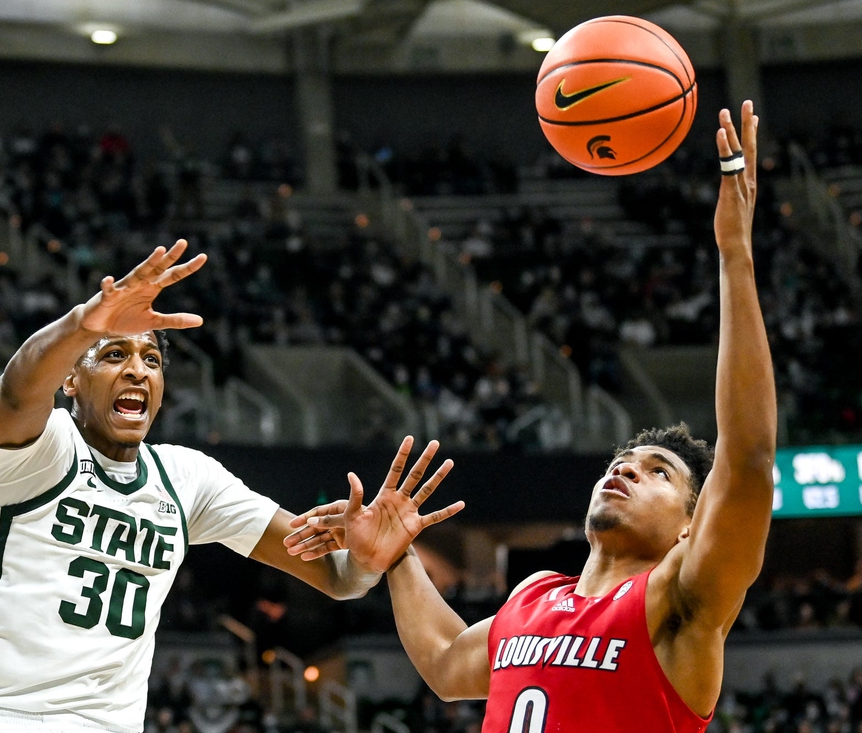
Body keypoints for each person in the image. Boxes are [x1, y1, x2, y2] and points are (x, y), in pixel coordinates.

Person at [285, 102, 775, 732]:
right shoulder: (535, 594)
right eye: (622, 462)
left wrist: (735, 256)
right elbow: (441, 661)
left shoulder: (680, 601)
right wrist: (399, 559)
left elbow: (749, 458)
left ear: (690, 527)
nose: (625, 471)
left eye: (659, 473)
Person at [0, 241, 458, 733]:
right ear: (71, 381)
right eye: (114, 355)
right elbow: (11, 396)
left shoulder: (187, 479)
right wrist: (85, 324)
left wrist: (367, 561)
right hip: (4, 719)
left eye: (151, 359)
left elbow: (337, 580)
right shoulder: (43, 449)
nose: (137, 371)